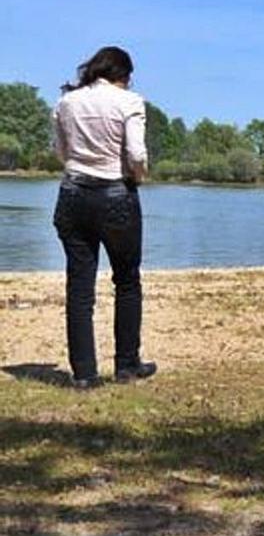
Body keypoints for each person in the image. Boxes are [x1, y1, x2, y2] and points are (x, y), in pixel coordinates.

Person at [52, 46, 156, 389]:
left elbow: (61, 152)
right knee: (127, 281)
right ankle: (127, 365)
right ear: (122, 74)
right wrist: (138, 176)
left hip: (72, 194)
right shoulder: (129, 102)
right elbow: (136, 153)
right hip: (116, 195)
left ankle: (84, 374)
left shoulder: (67, 102)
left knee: (79, 287)